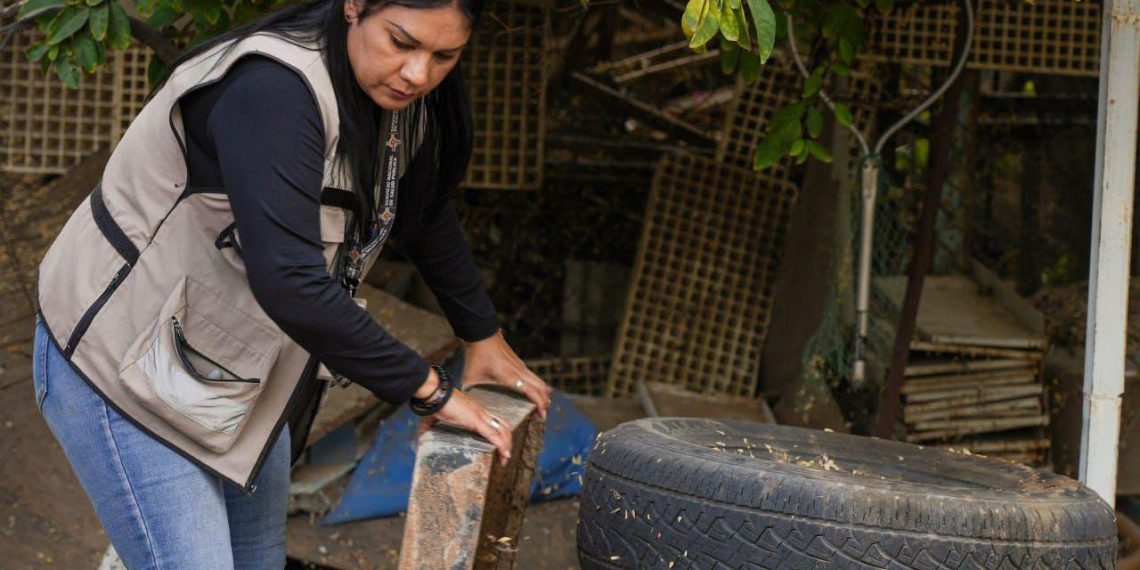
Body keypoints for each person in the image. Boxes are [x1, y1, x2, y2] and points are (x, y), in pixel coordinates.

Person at [31, 0, 550, 566]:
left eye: (444, 55)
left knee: (257, 558)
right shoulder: (274, 90)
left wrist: (482, 335)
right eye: (401, 42)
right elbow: (290, 282)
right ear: (354, 6)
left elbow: (421, 211)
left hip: (230, 364)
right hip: (119, 360)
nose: (418, 73)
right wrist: (431, 390)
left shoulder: (398, 101)